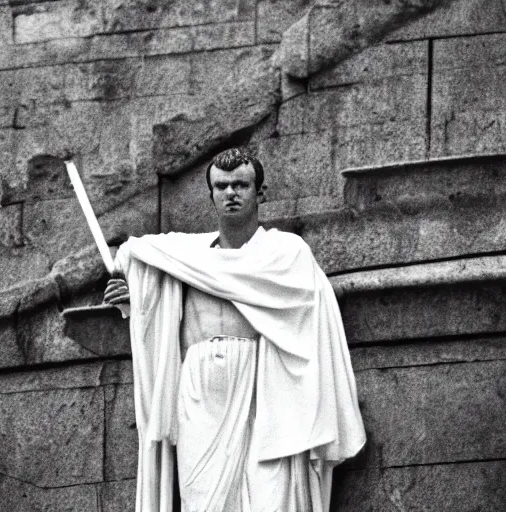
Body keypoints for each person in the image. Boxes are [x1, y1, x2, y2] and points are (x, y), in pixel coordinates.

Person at [104, 147, 365, 512]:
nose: (231, 193)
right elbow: (153, 300)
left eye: (241, 184)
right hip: (199, 397)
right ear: (211, 194)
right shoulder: (185, 257)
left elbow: (311, 325)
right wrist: (134, 296)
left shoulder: (286, 253)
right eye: (222, 186)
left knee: (272, 501)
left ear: (260, 193)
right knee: (203, 504)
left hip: (267, 393)